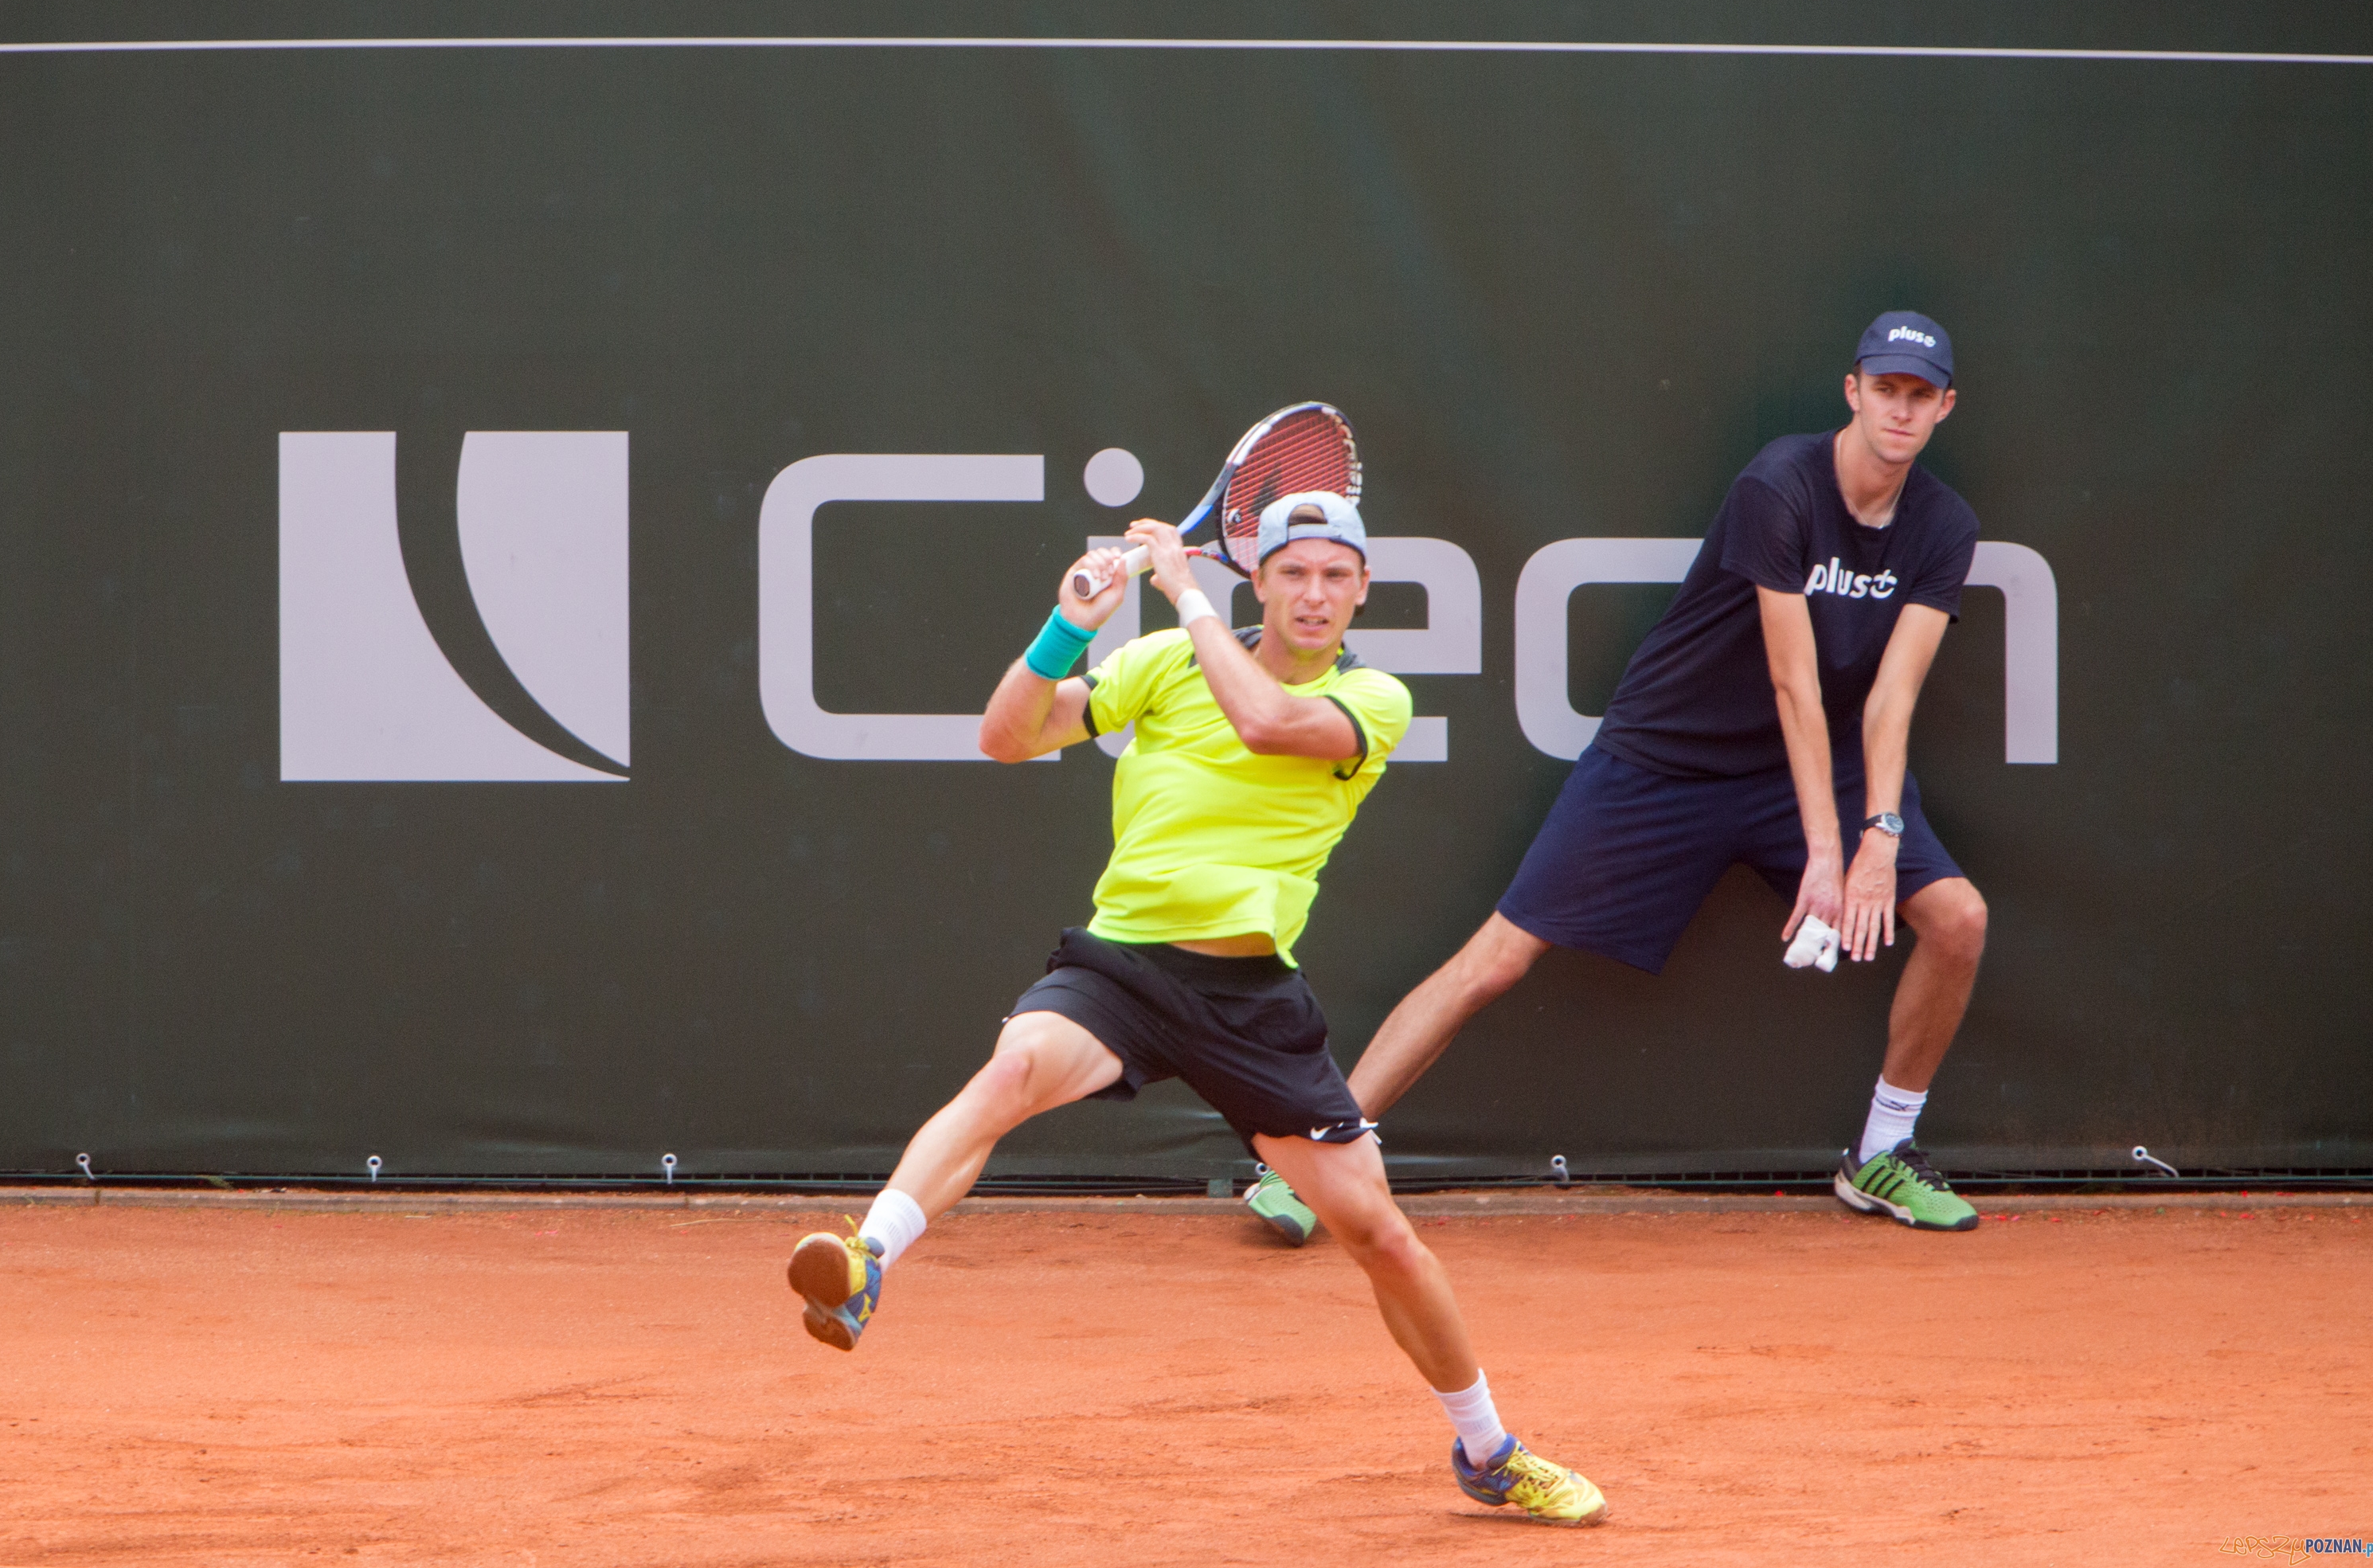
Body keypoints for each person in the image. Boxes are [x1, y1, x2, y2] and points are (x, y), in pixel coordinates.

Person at [787, 491, 1609, 1524]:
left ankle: (1487, 1448)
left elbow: (1264, 721)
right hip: (1123, 967)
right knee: (1011, 1070)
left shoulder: (1375, 703)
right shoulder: (1163, 667)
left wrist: (1182, 593)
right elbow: (1006, 736)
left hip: (1251, 999)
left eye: (1335, 576)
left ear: (1361, 593)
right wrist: (1069, 626)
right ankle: (867, 1260)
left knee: (1382, 1239)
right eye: (1294, 572)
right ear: (1259, 579)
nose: (1314, 594)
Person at [1248, 311, 1991, 1237]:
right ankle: (1321, 1155)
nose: (1900, 410)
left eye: (1921, 396)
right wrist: (1828, 854)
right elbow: (1793, 681)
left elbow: (1889, 699)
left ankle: (1882, 1147)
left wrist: (1878, 836)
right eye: (1885, 389)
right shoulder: (1780, 486)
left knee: (1958, 919)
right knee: (1498, 958)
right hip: (1665, 754)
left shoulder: (1942, 525)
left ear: (1944, 407)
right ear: (1853, 390)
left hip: (1818, 764)